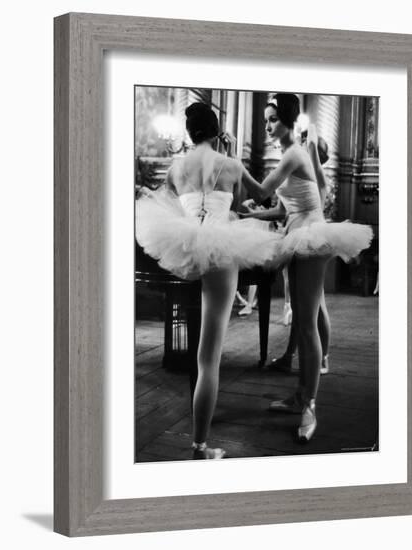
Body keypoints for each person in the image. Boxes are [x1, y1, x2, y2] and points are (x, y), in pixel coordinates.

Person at [135, 102, 282, 458]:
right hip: (221, 250)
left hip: (184, 246)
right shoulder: (230, 164)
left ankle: (200, 441)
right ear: (218, 132)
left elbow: (171, 200)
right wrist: (230, 156)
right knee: (209, 357)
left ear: (189, 133)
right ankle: (200, 445)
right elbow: (263, 194)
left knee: (196, 338)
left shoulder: (176, 167)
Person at [235, 93, 373, 441]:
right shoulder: (291, 155)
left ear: (287, 120)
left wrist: (233, 165)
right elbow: (283, 209)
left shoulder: (295, 152)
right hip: (298, 235)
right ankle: (300, 395)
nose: (267, 126)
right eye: (265, 120)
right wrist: (254, 214)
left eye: (272, 119)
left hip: (309, 239)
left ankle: (310, 406)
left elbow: (264, 188)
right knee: (301, 316)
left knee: (307, 323)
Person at [268, 135, 332, 375]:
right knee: (301, 305)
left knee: (317, 306)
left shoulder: (317, 178)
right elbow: (282, 210)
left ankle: (323, 358)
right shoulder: (303, 176)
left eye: (308, 146)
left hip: (310, 240)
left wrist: (311, 140)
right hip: (294, 238)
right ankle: (290, 354)